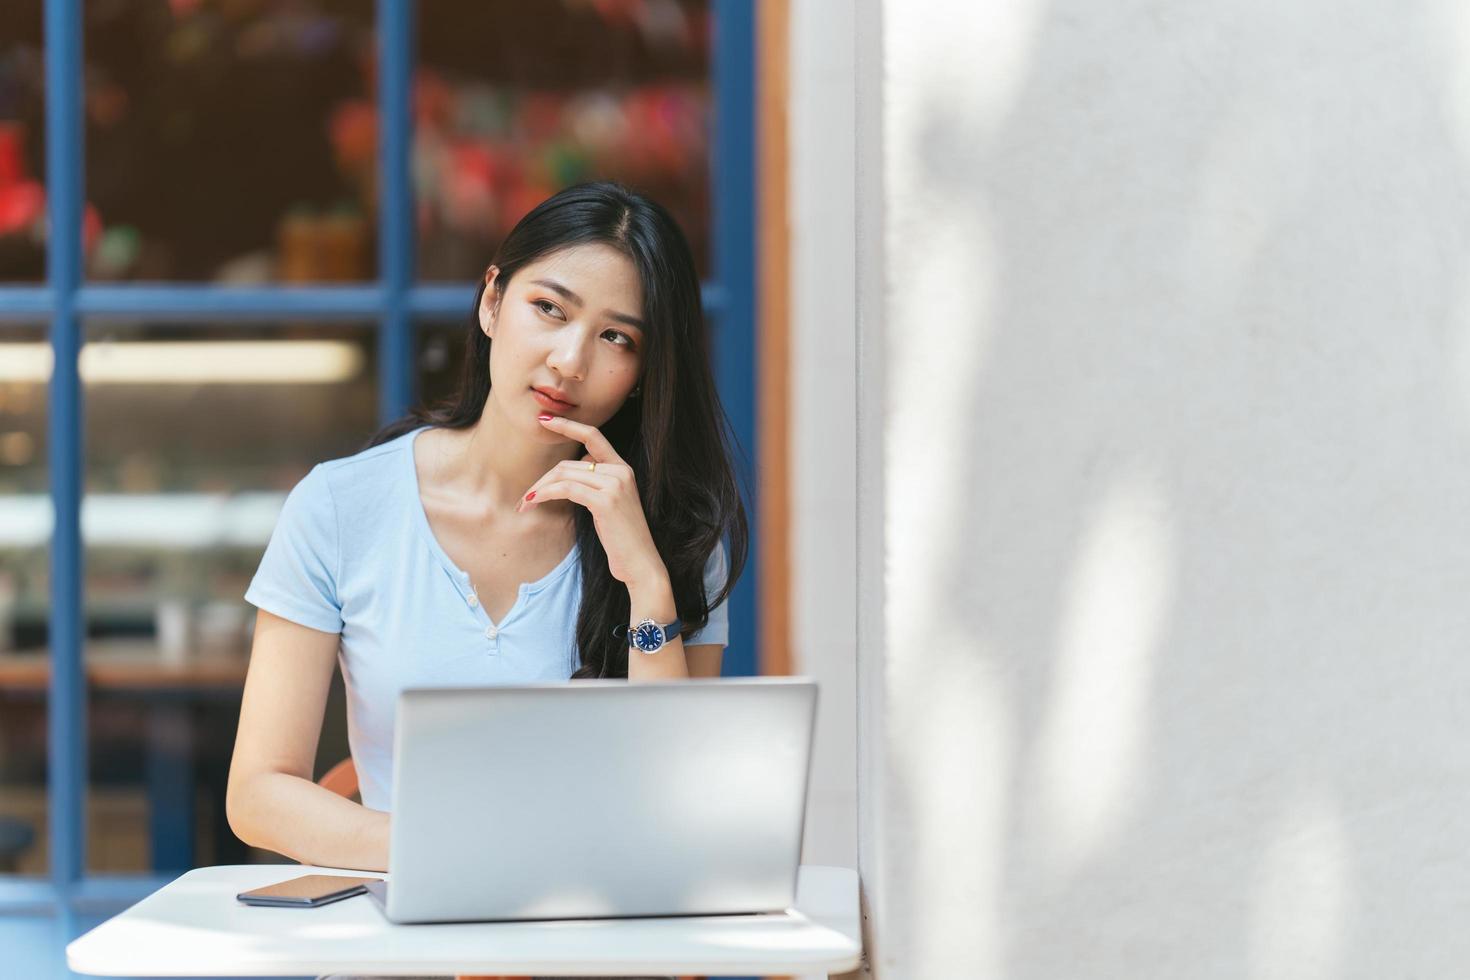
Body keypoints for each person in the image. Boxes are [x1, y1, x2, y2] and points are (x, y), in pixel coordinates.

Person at [226, 182, 748, 980]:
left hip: (599, 961)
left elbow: (673, 817)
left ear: (645, 370)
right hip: (408, 955)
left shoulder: (673, 537)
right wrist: (456, 849)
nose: (570, 360)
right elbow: (260, 792)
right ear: (492, 301)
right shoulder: (343, 506)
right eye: (550, 308)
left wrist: (645, 582)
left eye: (617, 338)